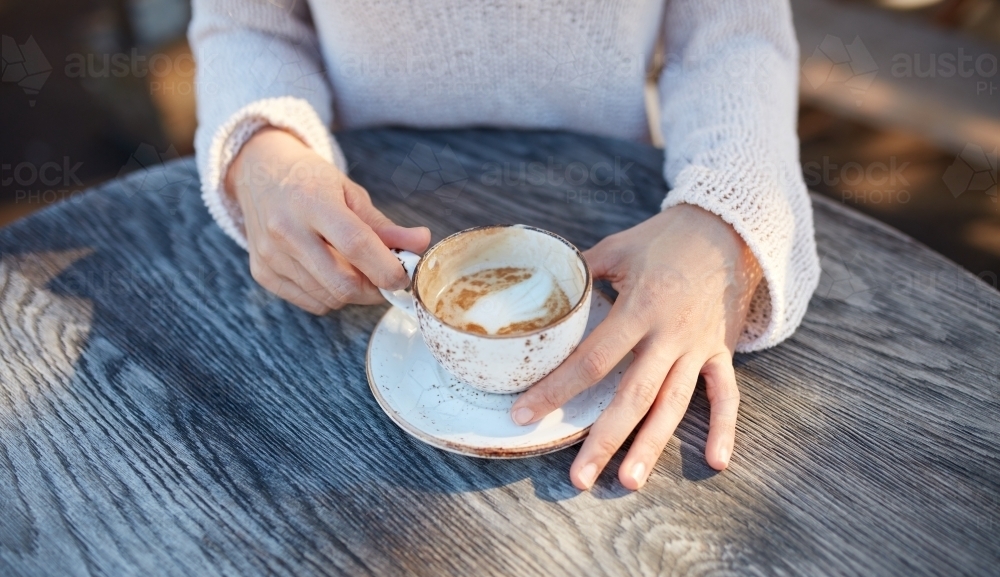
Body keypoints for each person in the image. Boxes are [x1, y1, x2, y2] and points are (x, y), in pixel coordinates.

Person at [189, 0, 819, 491]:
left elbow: (735, 37)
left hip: (630, 220)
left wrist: (725, 220)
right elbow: (248, 25)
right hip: (359, 216)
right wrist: (263, 151)